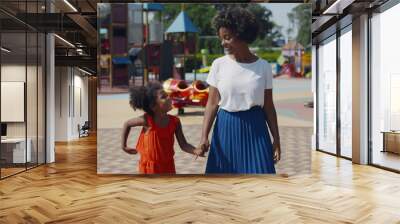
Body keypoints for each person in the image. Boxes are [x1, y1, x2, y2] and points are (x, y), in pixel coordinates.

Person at [198, 7, 281, 174]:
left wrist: (276, 139)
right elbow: (212, 103)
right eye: (221, 38)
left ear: (242, 35)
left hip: (256, 129)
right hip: (225, 128)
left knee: (262, 179)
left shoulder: (263, 66)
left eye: (227, 38)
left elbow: (269, 106)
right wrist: (204, 136)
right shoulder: (218, 65)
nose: (223, 43)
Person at [121, 81, 204, 174]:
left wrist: (196, 150)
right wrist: (124, 146)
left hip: (168, 166)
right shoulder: (147, 120)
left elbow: (183, 144)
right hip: (149, 169)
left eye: (167, 95)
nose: (169, 98)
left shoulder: (175, 121)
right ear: (153, 106)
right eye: (164, 97)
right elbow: (127, 124)